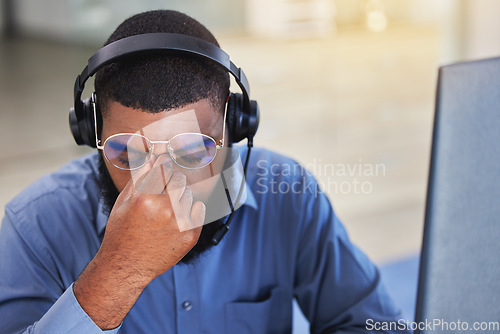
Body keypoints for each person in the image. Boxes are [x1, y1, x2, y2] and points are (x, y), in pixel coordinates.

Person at [0, 10, 408, 334]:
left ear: (236, 125)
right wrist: (116, 274)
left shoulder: (289, 193)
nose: (161, 186)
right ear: (92, 133)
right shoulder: (35, 225)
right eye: (128, 152)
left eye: (193, 150)